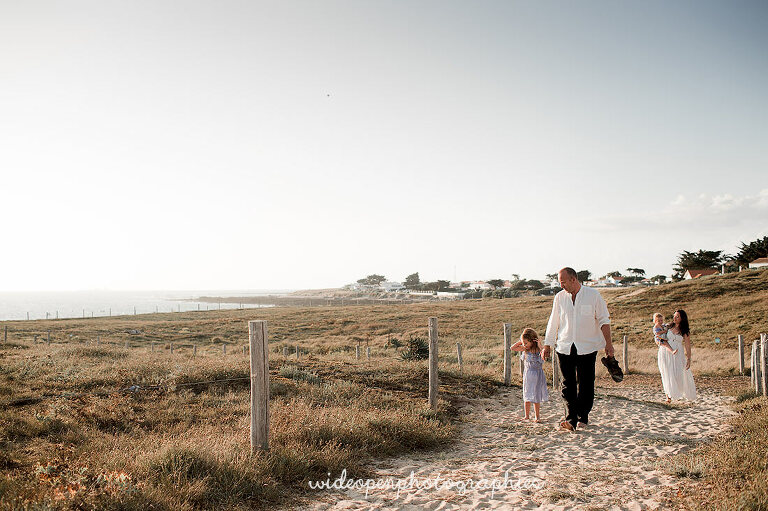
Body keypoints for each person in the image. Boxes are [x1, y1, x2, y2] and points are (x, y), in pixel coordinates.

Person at [543, 267, 614, 431]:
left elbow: (604, 320)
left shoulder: (593, 295)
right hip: (565, 346)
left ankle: (583, 415)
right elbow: (553, 322)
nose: (561, 286)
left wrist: (608, 344)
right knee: (567, 384)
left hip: (587, 347)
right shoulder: (559, 298)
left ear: (573, 279)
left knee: (586, 383)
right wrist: (548, 344)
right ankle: (571, 419)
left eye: (563, 282)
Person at [657, 309, 696, 402]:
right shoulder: (667, 326)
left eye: (677, 316)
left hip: (678, 353)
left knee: (678, 374)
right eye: (674, 316)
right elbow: (657, 335)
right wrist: (658, 341)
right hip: (665, 352)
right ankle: (668, 397)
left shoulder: (684, 331)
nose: (675, 318)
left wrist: (689, 359)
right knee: (666, 373)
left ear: (682, 318)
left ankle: (676, 393)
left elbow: (687, 345)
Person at [511, 327, 549, 422]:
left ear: (532, 341)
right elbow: (512, 348)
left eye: (526, 343)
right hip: (528, 375)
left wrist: (540, 346)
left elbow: (543, 359)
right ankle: (526, 415)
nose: (525, 345)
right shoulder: (525, 349)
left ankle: (537, 416)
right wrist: (521, 341)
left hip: (537, 375)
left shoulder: (538, 351)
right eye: (524, 343)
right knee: (527, 394)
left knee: (536, 396)